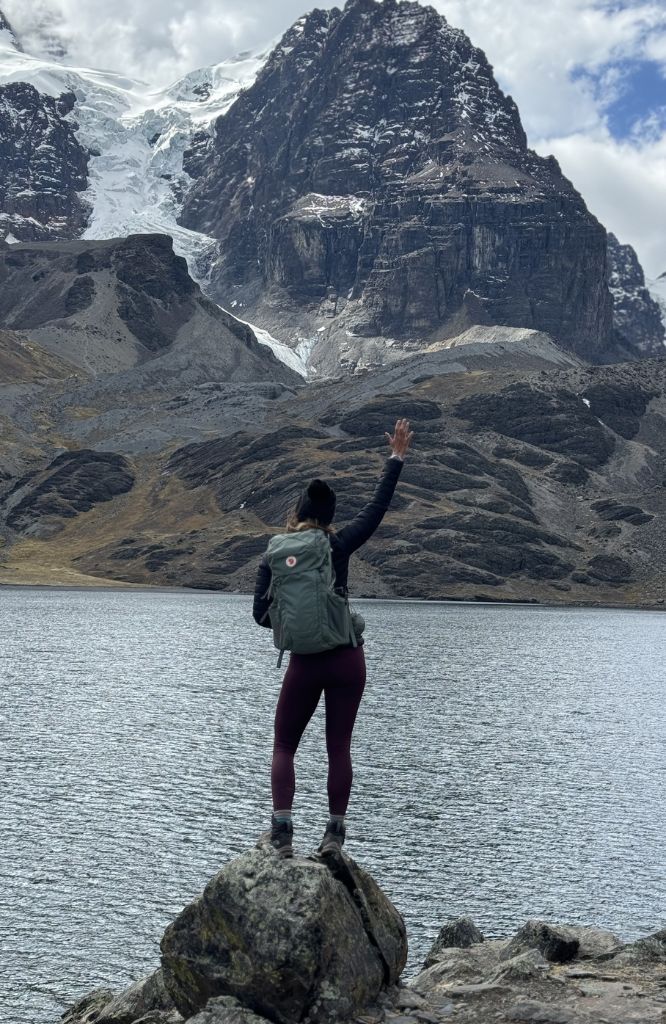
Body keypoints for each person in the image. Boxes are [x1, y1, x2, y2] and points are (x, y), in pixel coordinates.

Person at [252, 418, 414, 859]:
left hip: (304, 661)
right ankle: (333, 839)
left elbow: (259, 615)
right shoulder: (337, 545)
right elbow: (376, 511)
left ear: (298, 513)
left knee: (285, 745)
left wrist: (295, 627)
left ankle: (282, 835)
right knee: (338, 747)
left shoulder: (275, 553)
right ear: (329, 517)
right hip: (347, 659)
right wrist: (395, 460)